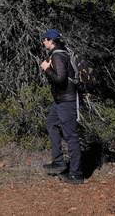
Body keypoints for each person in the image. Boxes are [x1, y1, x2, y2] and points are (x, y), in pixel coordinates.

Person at [40, 29, 83, 185]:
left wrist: (46, 69)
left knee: (71, 136)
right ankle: (58, 161)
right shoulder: (60, 53)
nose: (43, 41)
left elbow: (60, 79)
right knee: (51, 122)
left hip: (67, 101)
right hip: (60, 101)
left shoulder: (58, 55)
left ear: (52, 41)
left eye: (44, 39)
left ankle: (76, 174)